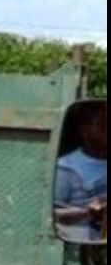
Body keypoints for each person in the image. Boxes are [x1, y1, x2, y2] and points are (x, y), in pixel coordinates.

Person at [55, 104, 106, 243]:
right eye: (102, 125)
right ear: (84, 131)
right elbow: (51, 216)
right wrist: (88, 213)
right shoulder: (66, 168)